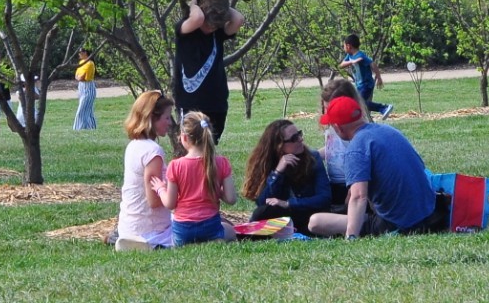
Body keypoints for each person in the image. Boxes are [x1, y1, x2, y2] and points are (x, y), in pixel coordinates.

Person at [307, 95, 443, 239]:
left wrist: (351, 236)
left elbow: (359, 197)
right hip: (430, 212)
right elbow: (420, 167)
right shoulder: (389, 131)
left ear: (337, 127)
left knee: (315, 222)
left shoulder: (356, 148)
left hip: (399, 223)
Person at [157, 110, 237, 244]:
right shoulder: (221, 162)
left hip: (183, 231)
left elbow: (170, 204)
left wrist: (160, 188)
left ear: (184, 137)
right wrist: (217, 189)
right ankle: (214, 239)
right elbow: (231, 199)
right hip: (210, 227)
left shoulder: (176, 165)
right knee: (230, 230)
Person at [175, 0, 242, 144]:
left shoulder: (217, 33)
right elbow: (197, 18)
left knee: (210, 147)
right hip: (190, 103)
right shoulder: (186, 29)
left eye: (216, 25)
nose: (212, 27)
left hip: (216, 103)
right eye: (209, 23)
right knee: (191, 148)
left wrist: (220, 7)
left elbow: (238, 19)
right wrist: (195, 2)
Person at [242, 119, 330, 234]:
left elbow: (324, 198)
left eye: (299, 134)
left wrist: (288, 203)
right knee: (261, 213)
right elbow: (263, 203)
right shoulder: (266, 164)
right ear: (279, 146)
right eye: (294, 138)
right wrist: (278, 172)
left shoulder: (313, 159)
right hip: (280, 217)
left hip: (307, 215)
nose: (301, 139)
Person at [116, 90, 175, 250]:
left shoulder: (133, 146)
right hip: (152, 230)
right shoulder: (153, 152)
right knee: (219, 229)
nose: (170, 123)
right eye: (167, 118)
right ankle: (149, 243)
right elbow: (154, 201)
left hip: (127, 227)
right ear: (152, 118)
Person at [317, 76, 364, 210]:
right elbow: (332, 150)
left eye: (331, 108)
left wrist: (353, 189)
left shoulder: (355, 131)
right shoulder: (333, 127)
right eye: (325, 108)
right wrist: (312, 154)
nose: (328, 113)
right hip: (333, 182)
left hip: (349, 184)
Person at [339, 34, 393, 119]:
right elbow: (341, 65)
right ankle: (368, 117)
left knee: (360, 103)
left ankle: (383, 108)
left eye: (344, 46)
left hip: (366, 84)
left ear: (348, 46)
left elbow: (373, 64)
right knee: (359, 103)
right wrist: (352, 61)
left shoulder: (361, 55)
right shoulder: (350, 56)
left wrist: (379, 78)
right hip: (359, 85)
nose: (344, 48)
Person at [73, 49, 99, 131]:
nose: (79, 54)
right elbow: (76, 75)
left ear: (85, 53)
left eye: (80, 52)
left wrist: (79, 77)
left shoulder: (90, 63)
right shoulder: (81, 63)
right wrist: (78, 77)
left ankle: (77, 129)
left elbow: (82, 77)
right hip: (81, 88)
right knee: (89, 111)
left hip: (88, 88)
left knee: (81, 110)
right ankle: (91, 128)